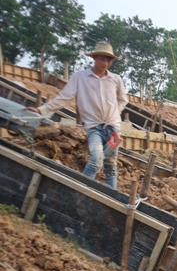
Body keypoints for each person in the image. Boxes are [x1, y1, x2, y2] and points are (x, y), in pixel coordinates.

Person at [24, 42, 127, 189]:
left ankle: (112, 196)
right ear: (95, 58)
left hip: (113, 128)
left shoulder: (115, 79)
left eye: (108, 60)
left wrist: (115, 113)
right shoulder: (80, 77)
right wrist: (41, 110)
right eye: (102, 59)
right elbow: (64, 97)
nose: (106, 63)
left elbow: (123, 100)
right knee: (96, 159)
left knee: (111, 165)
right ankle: (81, 191)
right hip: (94, 127)